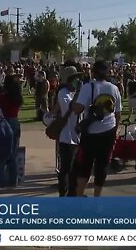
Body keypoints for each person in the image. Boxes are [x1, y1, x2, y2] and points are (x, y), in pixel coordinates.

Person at [73, 60, 122, 197]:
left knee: (85, 166)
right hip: (109, 131)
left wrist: (74, 99)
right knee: (101, 167)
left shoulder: (88, 87)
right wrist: (116, 132)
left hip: (90, 132)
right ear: (107, 72)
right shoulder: (114, 88)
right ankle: (97, 200)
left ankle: (79, 197)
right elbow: (117, 114)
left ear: (93, 72)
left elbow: (78, 109)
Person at [55, 66, 82, 197]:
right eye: (75, 78)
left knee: (75, 169)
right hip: (67, 136)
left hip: (77, 136)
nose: (78, 80)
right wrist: (79, 94)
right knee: (66, 168)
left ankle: (73, 193)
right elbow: (72, 108)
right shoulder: (63, 93)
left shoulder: (74, 93)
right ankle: (63, 193)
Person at [0, 75, 23, 187]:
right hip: (15, 121)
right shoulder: (17, 97)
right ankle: (13, 181)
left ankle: (1, 181)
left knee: (2, 154)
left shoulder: (1, 97)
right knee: (13, 154)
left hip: (4, 122)